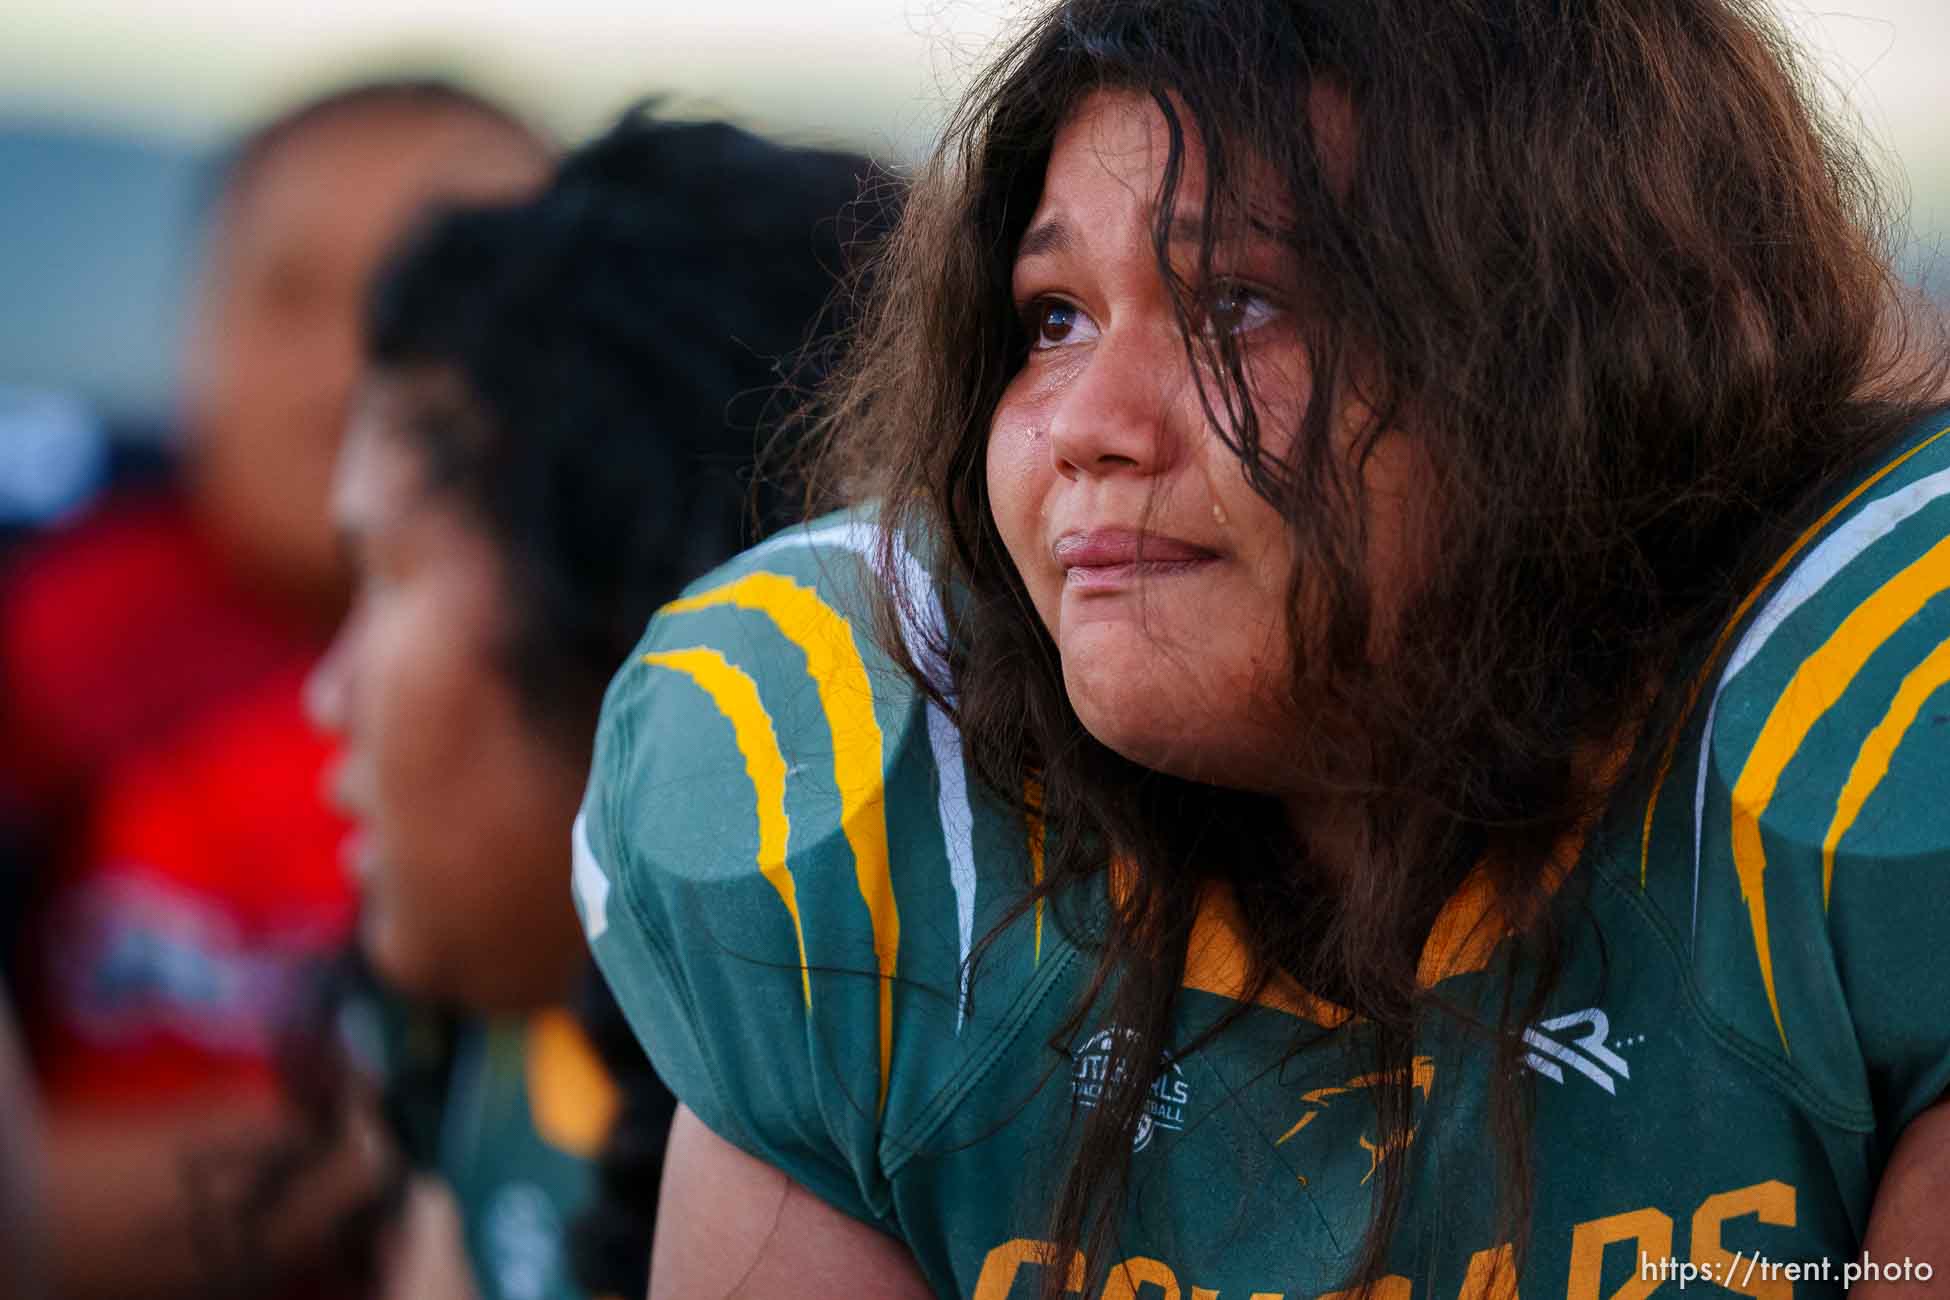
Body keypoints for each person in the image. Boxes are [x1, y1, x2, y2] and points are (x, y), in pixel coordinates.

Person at [574, 1, 1950, 1297]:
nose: (1084, 425)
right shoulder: (847, 785)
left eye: (1237, 304)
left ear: (1571, 345)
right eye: (1052, 317)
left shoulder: (1880, 718)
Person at [305, 107, 882, 1300]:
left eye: (389, 571)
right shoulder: (487, 1042)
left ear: (619, 599)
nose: (328, 692)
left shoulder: (926, 1138)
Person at [0, 80, 551, 1299]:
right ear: (191, 317)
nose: (349, 362)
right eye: (288, 292)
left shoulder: (686, 666)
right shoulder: (40, 624)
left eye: (426, 297)